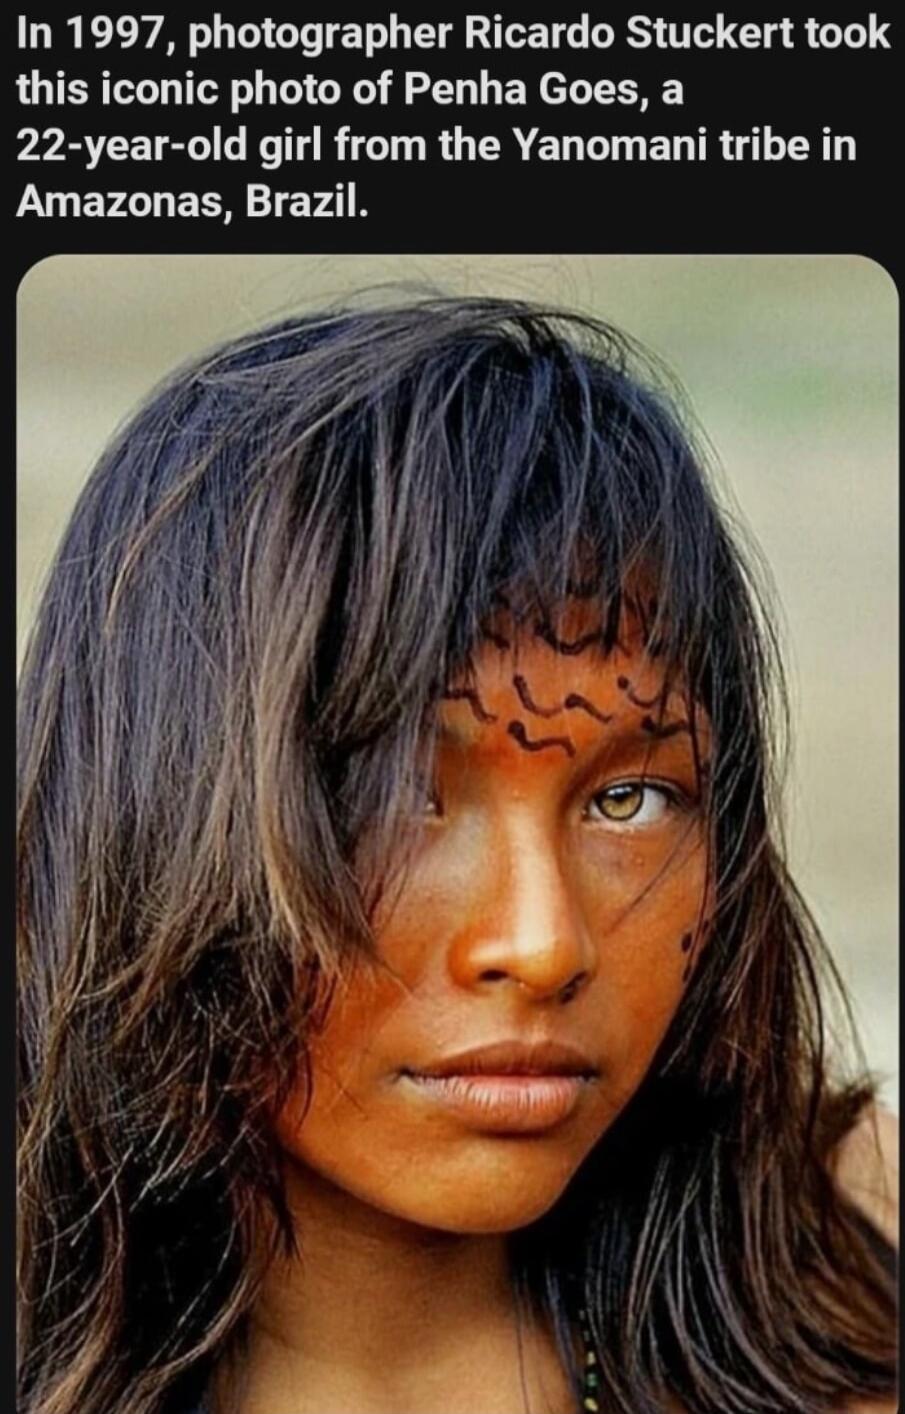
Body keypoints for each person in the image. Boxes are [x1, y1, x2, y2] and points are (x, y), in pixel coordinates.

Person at [17, 297, 897, 1414]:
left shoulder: (853, 1278)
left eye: (628, 799)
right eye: (400, 797)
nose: (540, 946)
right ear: (150, 819)